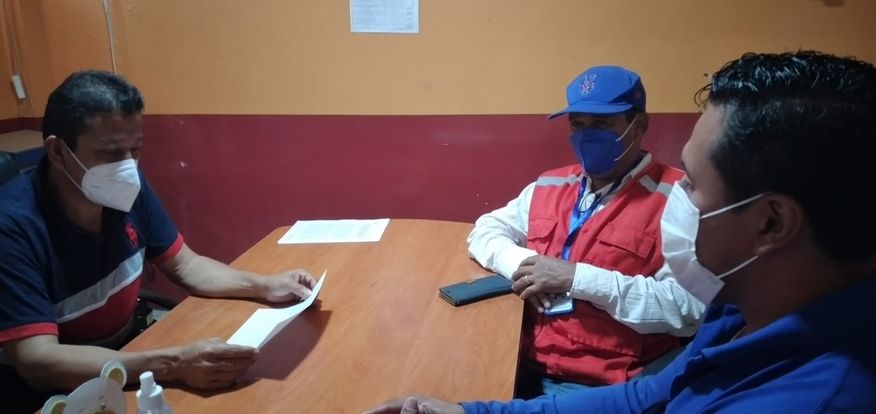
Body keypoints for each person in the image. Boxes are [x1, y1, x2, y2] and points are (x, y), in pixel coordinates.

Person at [365, 50, 876, 413]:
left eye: (694, 183)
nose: (682, 197)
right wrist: (471, 412)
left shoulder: (813, 394)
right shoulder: (737, 313)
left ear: (771, 222)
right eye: (578, 124)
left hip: (593, 375)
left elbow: (674, 322)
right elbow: (650, 395)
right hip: (529, 356)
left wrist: (576, 278)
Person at [0, 70, 317, 412]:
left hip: (127, 354)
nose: (127, 166)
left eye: (135, 149)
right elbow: (38, 360)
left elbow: (186, 265)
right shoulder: (12, 227)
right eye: (111, 152)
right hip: (56, 393)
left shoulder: (125, 189)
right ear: (58, 151)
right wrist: (174, 363)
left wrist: (265, 285)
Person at [467, 65, 703, 394]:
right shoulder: (551, 184)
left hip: (601, 382)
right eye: (578, 123)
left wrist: (578, 279)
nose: (587, 135)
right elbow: (485, 231)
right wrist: (525, 266)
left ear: (639, 125)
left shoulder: (680, 198)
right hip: (519, 356)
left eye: (602, 123)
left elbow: (688, 308)